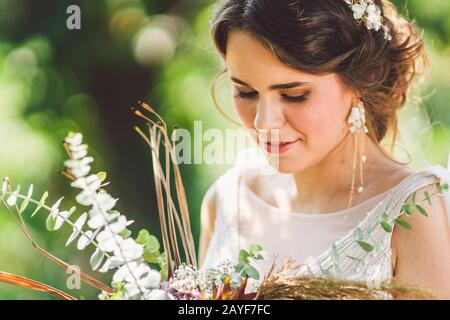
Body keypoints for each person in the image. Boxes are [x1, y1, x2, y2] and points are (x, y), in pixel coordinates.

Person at [198, 0, 450, 299]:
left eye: (293, 95)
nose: (263, 121)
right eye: (246, 92)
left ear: (363, 78)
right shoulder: (228, 200)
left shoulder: (413, 213)